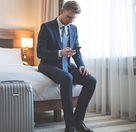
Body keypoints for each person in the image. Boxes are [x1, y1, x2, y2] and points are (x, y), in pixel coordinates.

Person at [37, 1, 96, 132]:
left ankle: (78, 120)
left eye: (74, 18)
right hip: (49, 65)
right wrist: (60, 53)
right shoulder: (46, 27)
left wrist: (81, 65)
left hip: (67, 65)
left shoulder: (73, 28)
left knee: (91, 81)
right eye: (69, 17)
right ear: (62, 11)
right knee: (67, 78)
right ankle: (70, 125)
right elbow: (40, 53)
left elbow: (76, 49)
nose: (71, 21)